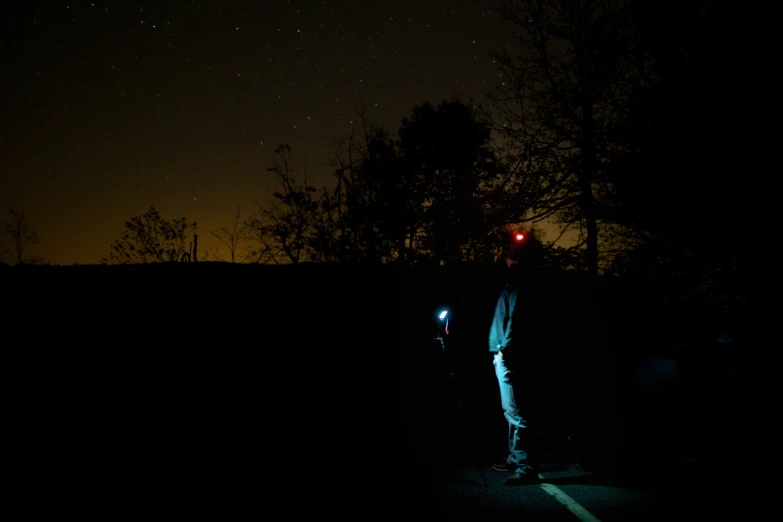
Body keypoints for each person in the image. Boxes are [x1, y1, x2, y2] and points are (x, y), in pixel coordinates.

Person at [489, 230, 538, 485]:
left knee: (516, 411)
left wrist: (504, 348)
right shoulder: (510, 282)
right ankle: (514, 457)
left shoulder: (518, 282)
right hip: (502, 352)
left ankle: (525, 465)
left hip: (508, 354)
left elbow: (515, 319)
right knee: (510, 410)